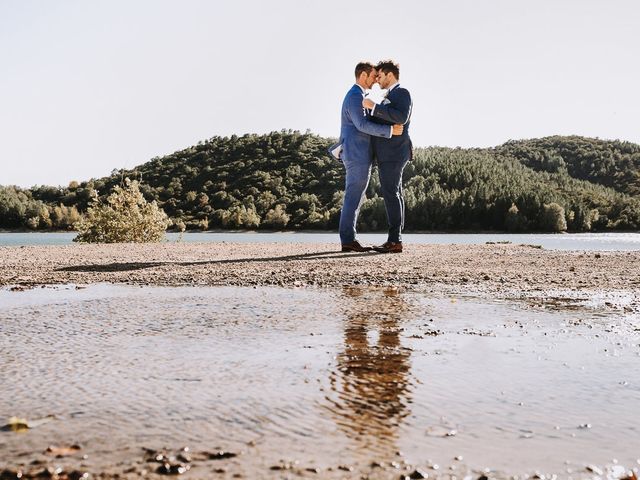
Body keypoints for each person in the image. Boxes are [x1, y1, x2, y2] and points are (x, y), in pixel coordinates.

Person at [334, 62, 404, 252]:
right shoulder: (355, 96)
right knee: (353, 196)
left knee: (355, 196)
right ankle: (348, 240)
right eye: (373, 75)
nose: (375, 79)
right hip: (356, 153)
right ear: (363, 75)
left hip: (360, 153)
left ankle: (349, 239)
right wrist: (390, 130)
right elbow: (362, 125)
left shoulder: (358, 96)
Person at [363, 60, 413, 254]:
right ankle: (395, 239)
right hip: (387, 153)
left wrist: (373, 107)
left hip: (394, 152)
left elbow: (401, 117)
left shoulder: (402, 93)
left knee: (391, 194)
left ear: (389, 75)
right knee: (394, 193)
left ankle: (395, 241)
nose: (378, 80)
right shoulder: (388, 97)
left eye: (380, 76)